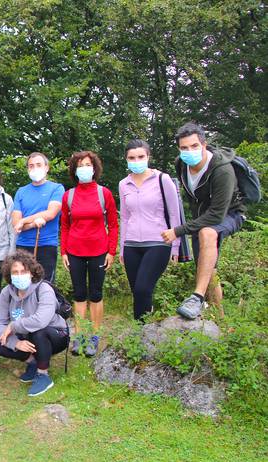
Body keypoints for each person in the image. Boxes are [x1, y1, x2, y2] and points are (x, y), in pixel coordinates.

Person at [161, 122, 246, 319]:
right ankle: (221, 320)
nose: (189, 151)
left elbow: (217, 215)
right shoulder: (181, 164)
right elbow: (193, 199)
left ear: (204, 145)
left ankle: (196, 298)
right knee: (207, 268)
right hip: (202, 219)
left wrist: (179, 230)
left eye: (194, 146)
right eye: (184, 147)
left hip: (230, 214)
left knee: (208, 232)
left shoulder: (222, 170)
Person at [60, 151, 118, 357]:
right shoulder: (69, 195)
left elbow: (113, 224)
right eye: (80, 165)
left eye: (88, 164)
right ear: (75, 170)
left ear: (94, 168)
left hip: (99, 251)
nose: (84, 168)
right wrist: (63, 251)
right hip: (74, 251)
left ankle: (94, 336)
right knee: (79, 294)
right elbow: (64, 226)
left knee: (96, 293)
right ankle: (80, 336)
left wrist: (111, 251)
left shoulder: (105, 194)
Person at [119, 139, 181, 321]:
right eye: (132, 157)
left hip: (158, 242)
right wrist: (122, 247)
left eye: (140, 156)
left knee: (143, 288)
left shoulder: (163, 179)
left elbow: (174, 213)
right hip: (131, 244)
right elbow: (124, 217)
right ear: (126, 159)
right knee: (137, 291)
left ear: (148, 156)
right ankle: (140, 334)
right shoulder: (124, 184)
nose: (136, 160)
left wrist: (175, 246)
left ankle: (143, 332)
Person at [0, 251, 69, 396]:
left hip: (54, 335)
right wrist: (15, 343)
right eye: (15, 272)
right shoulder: (6, 293)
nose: (20, 275)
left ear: (32, 273)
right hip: (26, 337)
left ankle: (43, 374)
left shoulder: (43, 289)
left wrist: (13, 326)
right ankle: (33, 363)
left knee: (39, 332)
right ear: (9, 274)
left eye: (24, 271)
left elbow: (41, 320)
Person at [11, 152, 65, 282]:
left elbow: (51, 213)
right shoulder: (21, 192)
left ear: (46, 167)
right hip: (22, 246)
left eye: (38, 165)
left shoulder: (57, 189)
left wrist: (24, 221)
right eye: (31, 166)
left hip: (46, 245)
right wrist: (34, 224)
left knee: (45, 285)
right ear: (27, 169)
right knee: (22, 283)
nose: (35, 168)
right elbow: (16, 224)